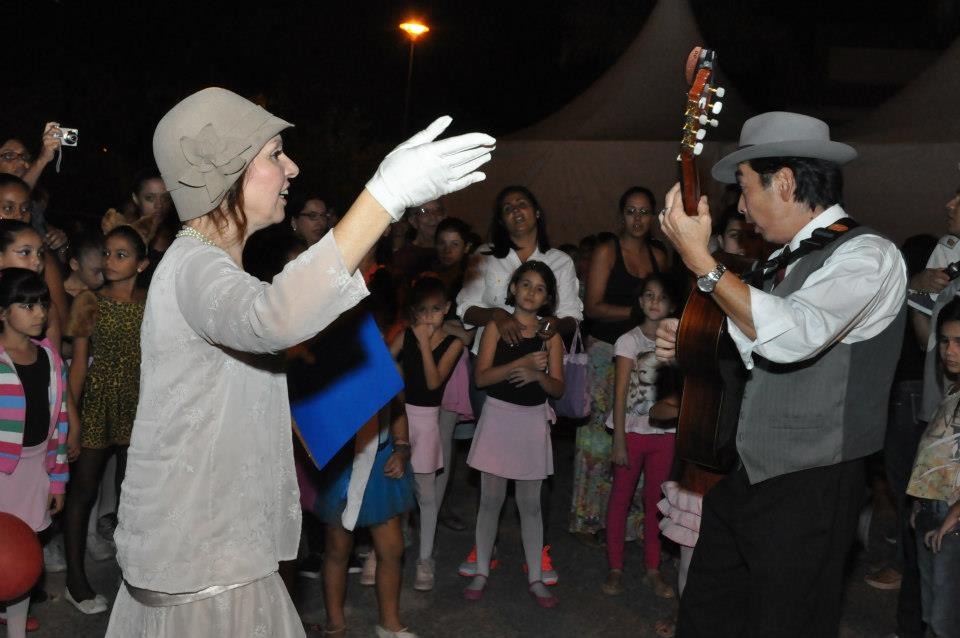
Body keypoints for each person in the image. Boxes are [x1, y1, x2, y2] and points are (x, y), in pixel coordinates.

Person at [104, 88, 492, 637]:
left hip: (224, 541)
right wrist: (384, 195)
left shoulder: (209, 266)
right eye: (274, 154)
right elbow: (273, 318)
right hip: (203, 558)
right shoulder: (195, 268)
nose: (293, 167)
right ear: (228, 174)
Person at [657, 111, 907, 637]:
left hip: (814, 480)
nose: (741, 209)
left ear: (786, 182)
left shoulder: (869, 255)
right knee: (706, 612)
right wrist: (694, 345)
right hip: (747, 470)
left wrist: (703, 263)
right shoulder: (778, 261)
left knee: (786, 623)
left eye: (745, 190)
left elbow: (796, 336)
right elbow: (754, 349)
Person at [456, 185, 582, 581]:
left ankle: (537, 550)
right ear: (501, 217)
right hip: (491, 365)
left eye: (522, 204)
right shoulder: (486, 258)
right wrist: (496, 314)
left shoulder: (558, 260)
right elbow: (464, 307)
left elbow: (573, 314)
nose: (515, 211)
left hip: (540, 365)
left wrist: (550, 326)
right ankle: (485, 546)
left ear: (537, 212)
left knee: (534, 466)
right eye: (507, 207)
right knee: (491, 459)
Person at [63, 213, 153, 614]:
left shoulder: (153, 303)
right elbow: (79, 365)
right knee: (83, 492)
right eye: (107, 253)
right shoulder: (89, 301)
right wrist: (73, 418)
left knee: (136, 496)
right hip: (98, 402)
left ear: (141, 264)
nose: (111, 260)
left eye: (122, 254)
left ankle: (136, 574)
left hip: (142, 404)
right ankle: (75, 580)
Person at [462, 260, 565, 608]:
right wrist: (519, 366)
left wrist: (539, 377)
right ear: (513, 289)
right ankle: (481, 570)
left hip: (532, 421)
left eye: (539, 288)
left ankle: (536, 576)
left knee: (530, 505)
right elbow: (481, 378)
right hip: (498, 417)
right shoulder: (495, 327)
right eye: (525, 285)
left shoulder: (550, 336)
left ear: (548, 297)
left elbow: (558, 388)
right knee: (490, 501)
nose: (531, 293)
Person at [571, 186, 668, 546]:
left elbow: (669, 303)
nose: (637, 219)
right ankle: (592, 516)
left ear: (654, 216)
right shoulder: (607, 249)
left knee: (642, 432)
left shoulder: (660, 255)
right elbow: (593, 306)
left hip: (647, 355)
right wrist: (637, 314)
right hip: (606, 353)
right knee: (601, 437)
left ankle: (633, 522)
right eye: (631, 211)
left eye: (644, 211)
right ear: (621, 215)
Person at [0, 268, 71, 638]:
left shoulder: (50, 359)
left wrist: (57, 480)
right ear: (2, 311)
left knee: (21, 558)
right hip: (1, 475)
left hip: (35, 471)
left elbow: (60, 423)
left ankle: (15, 631)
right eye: (26, 304)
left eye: (42, 303)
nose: (40, 312)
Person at [602, 274, 678, 600]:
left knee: (655, 504)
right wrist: (618, 438)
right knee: (620, 499)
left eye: (661, 296)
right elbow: (619, 395)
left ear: (672, 304)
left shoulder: (678, 341)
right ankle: (615, 568)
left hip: (666, 435)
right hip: (632, 433)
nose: (654, 301)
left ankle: (652, 568)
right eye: (648, 295)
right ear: (640, 301)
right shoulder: (628, 341)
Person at [389, 276, 464, 591]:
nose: (429, 317)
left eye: (436, 310)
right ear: (413, 313)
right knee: (392, 487)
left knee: (426, 493)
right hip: (399, 418)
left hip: (427, 419)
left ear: (446, 309)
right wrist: (398, 375)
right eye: (422, 311)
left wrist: (421, 344)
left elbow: (434, 383)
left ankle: (425, 559)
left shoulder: (453, 343)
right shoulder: (405, 335)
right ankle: (385, 552)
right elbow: (381, 362)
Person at [905, 296, 960, 638]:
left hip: (953, 519)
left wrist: (953, 517)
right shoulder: (952, 388)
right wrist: (920, 502)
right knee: (933, 615)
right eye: (945, 341)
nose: (950, 351)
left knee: (945, 621)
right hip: (934, 513)